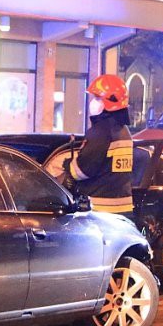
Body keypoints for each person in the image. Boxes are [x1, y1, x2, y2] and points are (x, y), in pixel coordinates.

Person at [62, 74, 135, 218]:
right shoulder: (124, 131)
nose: (93, 102)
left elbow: (81, 171)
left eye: (97, 98)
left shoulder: (101, 131)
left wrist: (68, 166)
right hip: (124, 209)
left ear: (109, 101)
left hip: (100, 210)